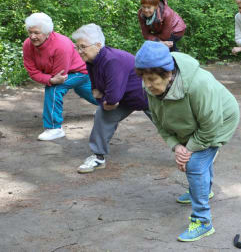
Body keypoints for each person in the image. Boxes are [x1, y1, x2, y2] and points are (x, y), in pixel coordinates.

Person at [135, 41, 239, 242]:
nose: (147, 85)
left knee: (195, 164)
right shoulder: (150, 84)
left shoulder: (199, 84)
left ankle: (203, 221)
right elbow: (158, 121)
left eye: (152, 80)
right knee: (196, 161)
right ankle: (203, 191)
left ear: (168, 73)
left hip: (220, 121)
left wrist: (187, 151)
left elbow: (210, 127)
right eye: (144, 79)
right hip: (190, 125)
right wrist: (176, 145)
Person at [71, 24, 151, 173]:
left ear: (98, 45)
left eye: (83, 47)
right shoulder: (91, 61)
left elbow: (113, 98)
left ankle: (196, 151)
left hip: (147, 97)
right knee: (102, 114)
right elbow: (95, 90)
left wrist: (106, 99)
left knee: (171, 125)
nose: (79, 51)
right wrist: (104, 100)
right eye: (77, 47)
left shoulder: (111, 60)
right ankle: (98, 157)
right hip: (125, 99)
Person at [22, 13, 97, 141]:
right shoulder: (28, 45)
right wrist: (49, 79)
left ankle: (54, 128)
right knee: (84, 90)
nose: (32, 36)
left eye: (36, 32)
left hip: (79, 71)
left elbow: (59, 77)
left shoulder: (61, 45)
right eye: (30, 32)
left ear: (47, 32)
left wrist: (50, 80)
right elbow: (32, 71)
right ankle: (109, 105)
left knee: (54, 89)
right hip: (61, 74)